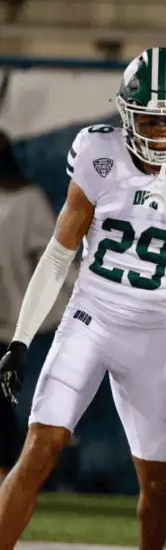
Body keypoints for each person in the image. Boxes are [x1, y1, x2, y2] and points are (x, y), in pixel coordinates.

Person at [0, 47, 166, 550]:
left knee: (157, 477)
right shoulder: (98, 154)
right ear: (127, 115)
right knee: (40, 448)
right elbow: (58, 256)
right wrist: (21, 339)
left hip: (152, 332)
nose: (161, 134)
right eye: (150, 121)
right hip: (89, 317)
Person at [0, 130, 74, 484]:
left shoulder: (26, 199)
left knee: (16, 402)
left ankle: (17, 473)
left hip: (19, 320)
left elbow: (55, 255)